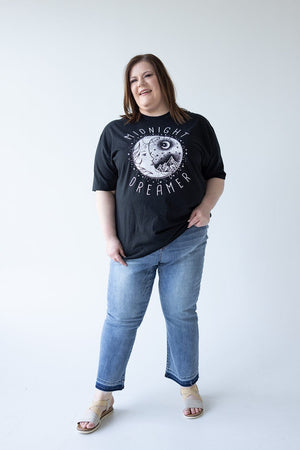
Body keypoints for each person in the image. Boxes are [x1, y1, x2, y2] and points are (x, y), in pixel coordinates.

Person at [76, 53, 226, 433]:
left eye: (148, 76)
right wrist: (109, 237)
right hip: (131, 247)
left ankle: (187, 384)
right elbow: (103, 188)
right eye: (133, 80)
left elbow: (216, 175)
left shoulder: (195, 126)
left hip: (185, 240)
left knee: (181, 314)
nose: (140, 84)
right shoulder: (115, 131)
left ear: (162, 80)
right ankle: (103, 396)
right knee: (120, 321)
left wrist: (206, 207)